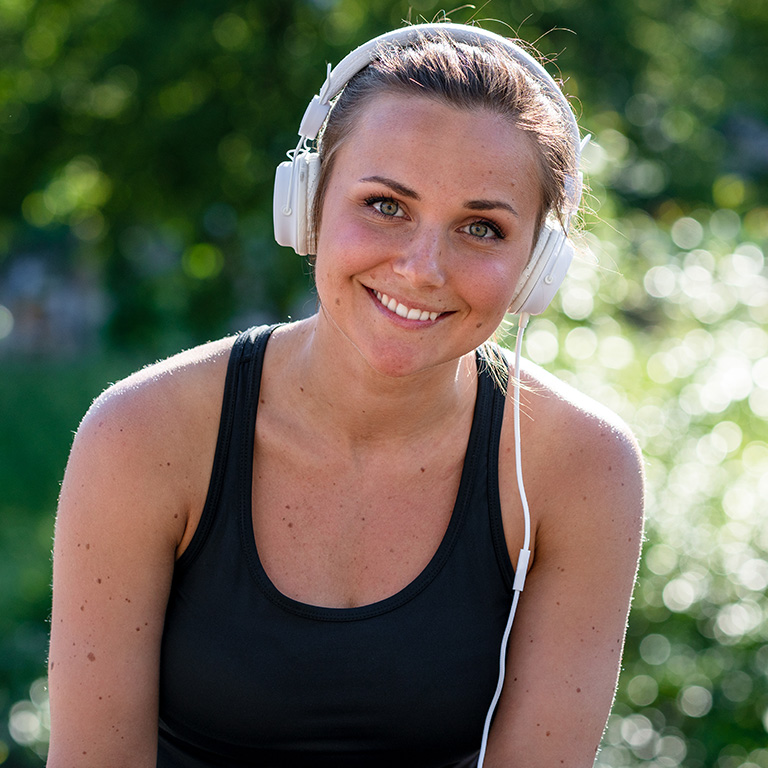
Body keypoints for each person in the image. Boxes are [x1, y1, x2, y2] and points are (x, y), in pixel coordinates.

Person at [47, 21, 644, 768]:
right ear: (308, 205)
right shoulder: (141, 435)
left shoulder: (580, 467)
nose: (423, 268)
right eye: (386, 206)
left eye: (482, 227)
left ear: (536, 268)